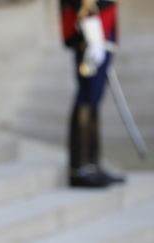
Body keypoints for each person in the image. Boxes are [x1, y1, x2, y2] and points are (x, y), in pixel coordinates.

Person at [60, 0, 124, 188]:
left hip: (103, 26)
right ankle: (79, 166)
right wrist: (93, 35)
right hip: (90, 28)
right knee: (86, 97)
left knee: (94, 99)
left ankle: (92, 162)